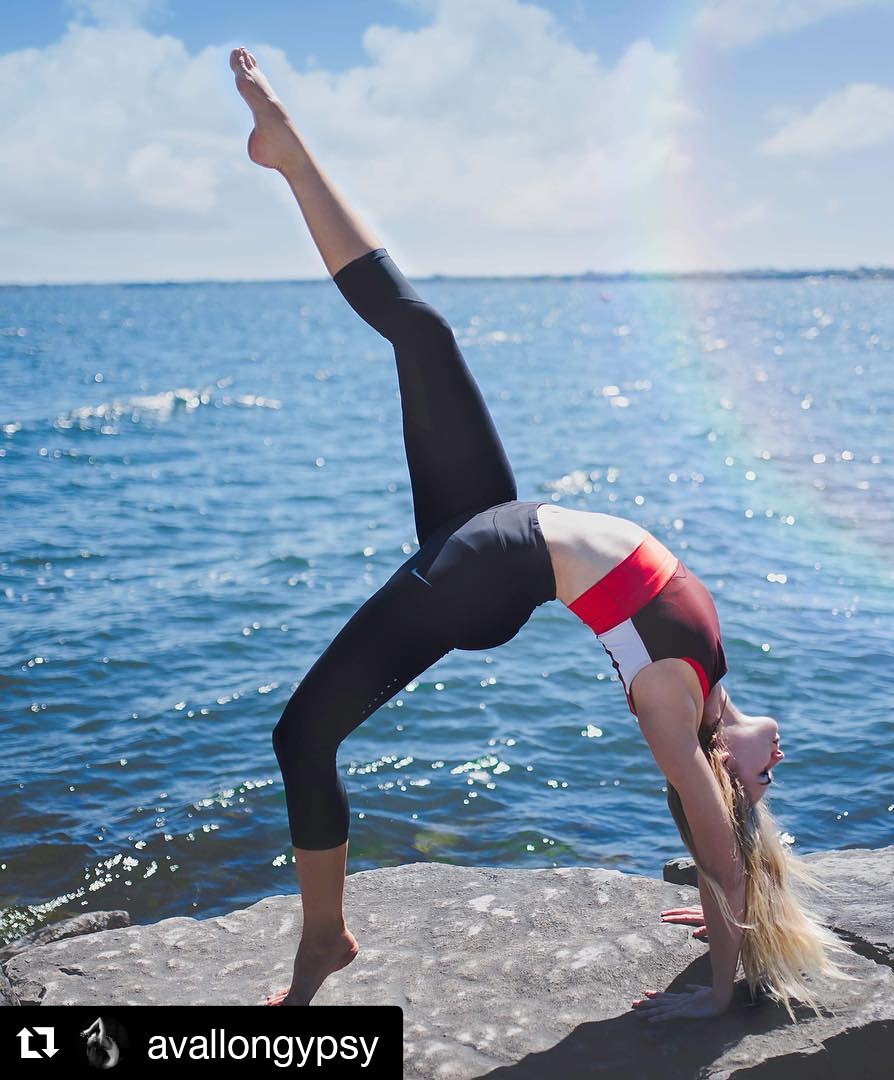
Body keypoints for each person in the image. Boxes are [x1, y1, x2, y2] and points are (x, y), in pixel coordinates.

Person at [229, 46, 857, 1015]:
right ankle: (291, 154)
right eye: (764, 765)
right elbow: (733, 839)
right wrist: (727, 892)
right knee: (426, 332)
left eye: (753, 775)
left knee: (298, 734)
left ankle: (324, 939)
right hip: (500, 527)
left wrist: (724, 981)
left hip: (490, 570)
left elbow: (718, 831)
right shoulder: (714, 672)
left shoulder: (670, 706)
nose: (771, 761)